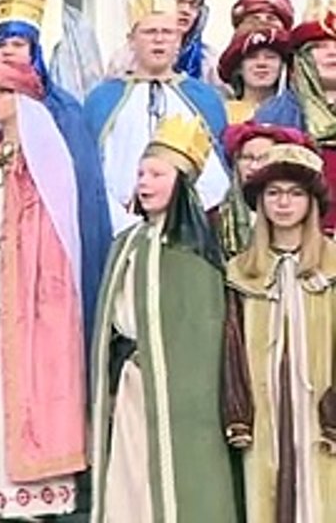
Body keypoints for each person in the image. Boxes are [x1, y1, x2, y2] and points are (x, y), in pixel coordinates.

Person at [0, 61, 86, 518]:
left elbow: (55, 230)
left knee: (28, 375)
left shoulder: (43, 160)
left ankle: (31, 486)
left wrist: (32, 278)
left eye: (2, 92)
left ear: (23, 100)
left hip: (32, 284)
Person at [0, 0, 110, 346]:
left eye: (19, 44)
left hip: (41, 254)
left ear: (34, 52)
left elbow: (80, 185)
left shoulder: (63, 110)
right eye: (2, 45)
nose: (10, 52)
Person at [88, 115, 237, 522]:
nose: (144, 183)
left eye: (157, 174)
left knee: (179, 479)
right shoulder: (127, 244)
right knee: (131, 476)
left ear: (182, 184)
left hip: (182, 396)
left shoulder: (194, 255)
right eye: (140, 173)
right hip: (133, 382)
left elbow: (200, 337)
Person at [224, 141, 336, 523]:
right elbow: (232, 348)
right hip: (265, 411)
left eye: (295, 193)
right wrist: (238, 413)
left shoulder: (332, 269)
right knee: (268, 495)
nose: (283, 203)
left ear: (311, 202)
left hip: (320, 411)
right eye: (273, 193)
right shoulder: (241, 272)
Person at [84, 0, 230, 234]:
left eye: (168, 33)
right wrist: (121, 220)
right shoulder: (103, 99)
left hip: (189, 228)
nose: (159, 40)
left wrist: (185, 213)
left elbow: (217, 172)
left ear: (179, 40)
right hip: (118, 226)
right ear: (132, 40)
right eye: (150, 32)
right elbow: (92, 170)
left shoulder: (204, 98)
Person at [253, 0, 336, 232]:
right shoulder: (274, 115)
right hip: (293, 235)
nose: (332, 53)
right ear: (301, 58)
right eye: (319, 46)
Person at [109, 0, 215, 83]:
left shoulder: (208, 61)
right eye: (179, 1)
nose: (186, 10)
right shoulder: (126, 58)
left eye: (193, 4)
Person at [218, 122, 311, 259]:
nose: (254, 166)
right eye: (247, 158)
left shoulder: (299, 211)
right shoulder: (216, 215)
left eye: (264, 158)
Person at [220, 0, 296, 124]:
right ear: (239, 67)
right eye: (252, 57)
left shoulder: (299, 113)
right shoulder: (219, 112)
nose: (261, 63)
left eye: (270, 57)